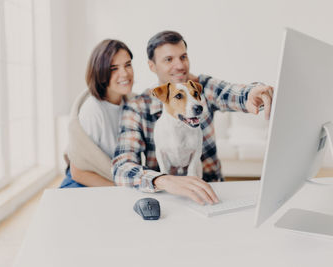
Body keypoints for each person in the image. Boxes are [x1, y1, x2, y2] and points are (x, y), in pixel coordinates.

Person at [112, 31, 273, 204]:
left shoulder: (203, 87)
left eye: (183, 57)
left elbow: (234, 93)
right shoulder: (137, 107)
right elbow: (121, 168)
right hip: (164, 195)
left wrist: (254, 93)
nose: (180, 65)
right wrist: (163, 180)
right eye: (168, 59)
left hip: (211, 189)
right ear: (152, 66)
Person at [60, 39, 134, 188]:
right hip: (82, 183)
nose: (125, 73)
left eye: (128, 65)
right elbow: (78, 172)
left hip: (113, 180)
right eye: (114, 68)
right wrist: (121, 190)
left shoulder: (131, 103)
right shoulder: (93, 110)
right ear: (101, 73)